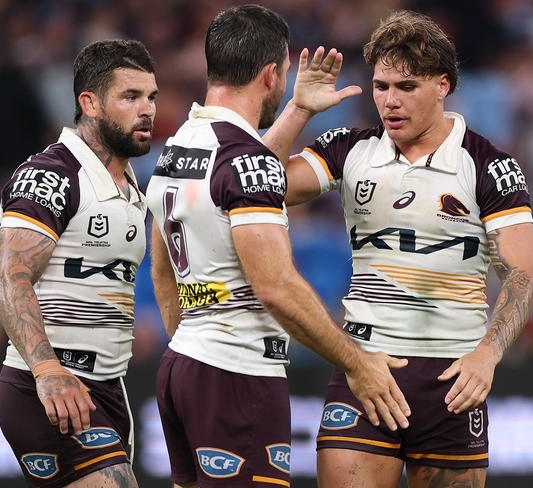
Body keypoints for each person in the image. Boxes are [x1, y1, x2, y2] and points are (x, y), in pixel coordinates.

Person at [269, 10, 533, 488]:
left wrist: (488, 355)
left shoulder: (487, 165)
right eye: (380, 86)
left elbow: (521, 276)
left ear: (443, 85)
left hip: (452, 379)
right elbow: (257, 187)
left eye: (406, 87)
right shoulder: (349, 149)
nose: (390, 101)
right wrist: (298, 111)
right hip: (365, 368)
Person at [146, 5, 411, 487]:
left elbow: (163, 269)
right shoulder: (242, 161)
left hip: (182, 365)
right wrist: (357, 364)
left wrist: (299, 110)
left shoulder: (180, 144)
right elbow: (276, 287)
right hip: (237, 373)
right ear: (271, 75)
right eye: (285, 75)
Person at [0, 39, 158, 487]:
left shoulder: (128, 182)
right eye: (130, 97)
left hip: (108, 386)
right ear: (89, 102)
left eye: (151, 97)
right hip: (47, 385)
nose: (147, 109)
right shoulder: (51, 175)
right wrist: (47, 371)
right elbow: (10, 276)